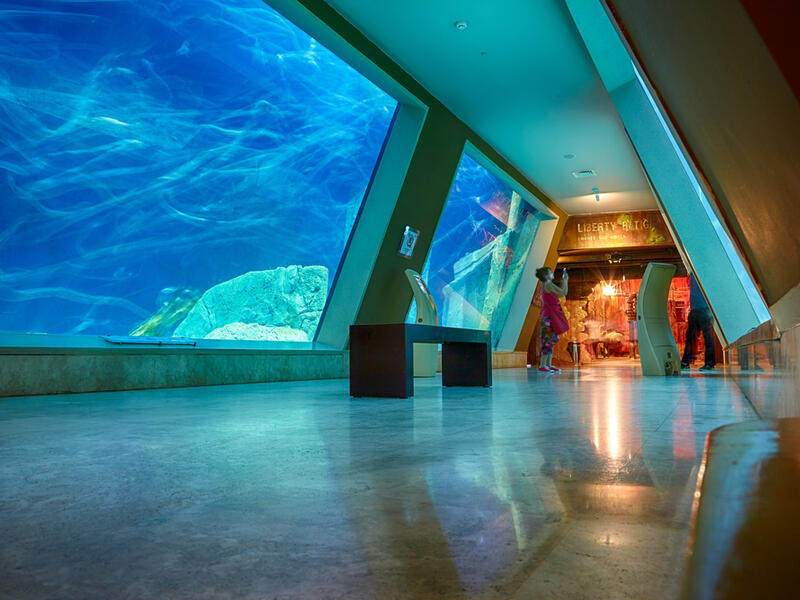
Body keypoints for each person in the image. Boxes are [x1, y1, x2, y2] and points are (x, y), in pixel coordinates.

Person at [535, 266, 569, 373]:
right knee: (547, 340)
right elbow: (563, 292)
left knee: (551, 340)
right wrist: (565, 280)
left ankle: (548, 365)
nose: (552, 273)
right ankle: (543, 365)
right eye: (550, 272)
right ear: (546, 276)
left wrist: (564, 281)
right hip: (549, 316)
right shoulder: (548, 284)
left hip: (550, 315)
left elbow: (562, 293)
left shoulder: (546, 285)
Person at [681, 273, 715, 371]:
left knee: (707, 338)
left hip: (704, 309)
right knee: (691, 338)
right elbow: (689, 291)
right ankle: (687, 361)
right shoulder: (693, 274)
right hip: (696, 309)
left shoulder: (702, 273)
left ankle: (709, 363)